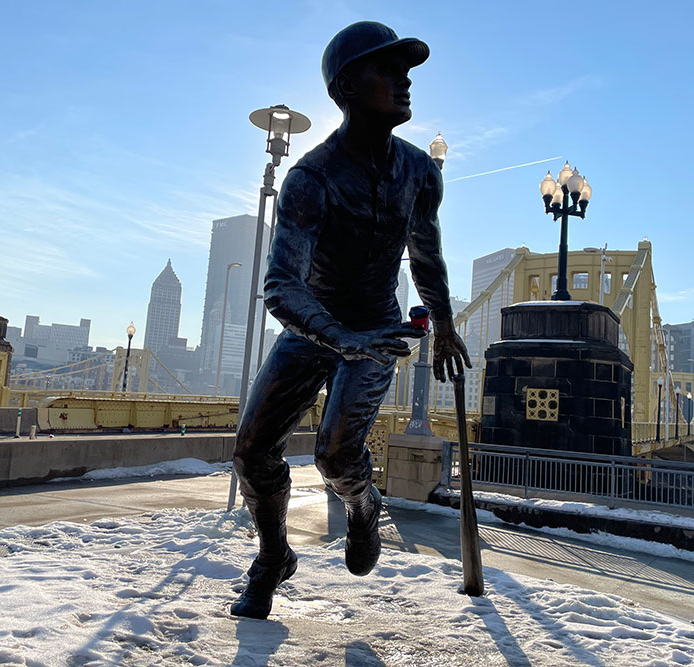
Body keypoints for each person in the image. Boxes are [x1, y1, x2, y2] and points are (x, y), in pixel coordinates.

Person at [230, 20, 471, 620]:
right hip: (316, 328)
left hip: (377, 327)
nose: (404, 80)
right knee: (253, 449)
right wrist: (340, 338)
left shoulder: (420, 171)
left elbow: (427, 254)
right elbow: (282, 285)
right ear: (346, 88)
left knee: (336, 455)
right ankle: (273, 558)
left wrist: (441, 324)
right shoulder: (311, 178)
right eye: (387, 69)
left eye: (406, 69)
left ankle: (364, 505)